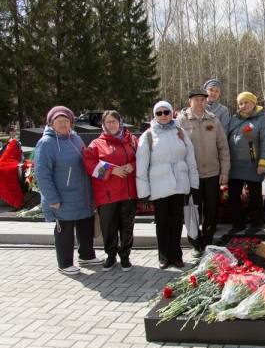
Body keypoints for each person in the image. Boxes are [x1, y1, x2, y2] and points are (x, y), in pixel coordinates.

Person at [35, 106, 103, 275]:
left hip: (82, 193)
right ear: (51, 123)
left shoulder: (75, 138)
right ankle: (65, 263)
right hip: (63, 196)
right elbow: (42, 174)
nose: (63, 124)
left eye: (66, 120)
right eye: (59, 121)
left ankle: (86, 255)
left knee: (85, 224)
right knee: (65, 230)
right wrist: (52, 198)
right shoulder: (46, 144)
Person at [136, 101, 199, 269]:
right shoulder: (148, 136)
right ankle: (164, 255)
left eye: (166, 112)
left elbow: (190, 158)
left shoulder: (180, 132)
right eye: (159, 113)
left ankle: (176, 255)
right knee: (162, 221)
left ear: (172, 113)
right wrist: (143, 192)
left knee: (177, 221)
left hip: (179, 183)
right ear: (155, 115)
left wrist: (193, 183)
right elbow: (141, 164)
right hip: (159, 185)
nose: (163, 116)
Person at [83, 111, 138, 272]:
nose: (112, 125)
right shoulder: (96, 144)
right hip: (107, 194)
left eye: (114, 121)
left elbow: (143, 158)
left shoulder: (133, 141)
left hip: (128, 191)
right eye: (108, 122)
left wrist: (132, 166)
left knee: (127, 226)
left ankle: (125, 256)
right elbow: (89, 163)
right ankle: (111, 255)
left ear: (120, 122)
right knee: (109, 226)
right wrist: (111, 170)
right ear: (103, 125)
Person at [179, 88, 230, 257]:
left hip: (212, 173)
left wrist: (225, 171)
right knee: (192, 210)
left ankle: (207, 241)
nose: (200, 102)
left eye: (202, 99)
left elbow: (223, 147)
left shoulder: (213, 120)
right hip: (191, 175)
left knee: (210, 210)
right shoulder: (181, 121)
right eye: (196, 99)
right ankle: (194, 243)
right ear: (190, 102)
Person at [227, 92, 265, 235]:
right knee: (233, 196)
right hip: (234, 165)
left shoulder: (262, 120)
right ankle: (238, 224)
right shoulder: (234, 119)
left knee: (255, 196)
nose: (243, 105)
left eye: (247, 102)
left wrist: (262, 163)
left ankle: (256, 224)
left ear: (254, 103)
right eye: (241, 103)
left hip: (253, 165)